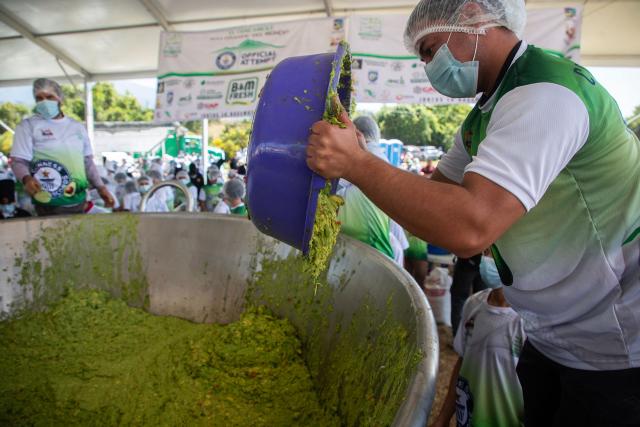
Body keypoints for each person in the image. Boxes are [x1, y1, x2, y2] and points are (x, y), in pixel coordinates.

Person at [305, 0, 640, 425]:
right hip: (555, 334)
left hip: (617, 343)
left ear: (473, 15)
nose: (429, 67)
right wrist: (362, 155)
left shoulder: (543, 93)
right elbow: (432, 204)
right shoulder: (486, 113)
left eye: (430, 50)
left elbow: (468, 225)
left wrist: (356, 164)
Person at [429, 253, 525, 427]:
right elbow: (462, 362)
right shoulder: (473, 304)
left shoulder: (527, 320)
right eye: (486, 252)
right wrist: (443, 417)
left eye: (494, 252)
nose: (486, 259)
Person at [9, 78, 114, 216]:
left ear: (60, 99)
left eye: (49, 97)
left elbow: (87, 162)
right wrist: (27, 179)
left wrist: (101, 188)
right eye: (39, 98)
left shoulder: (77, 127)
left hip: (79, 200)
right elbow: (18, 161)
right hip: (48, 202)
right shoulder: (28, 126)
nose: (44, 102)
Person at [450, 255, 487, 333]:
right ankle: (473, 338)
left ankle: (459, 338)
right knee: (481, 302)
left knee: (459, 300)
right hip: (485, 262)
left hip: (468, 260)